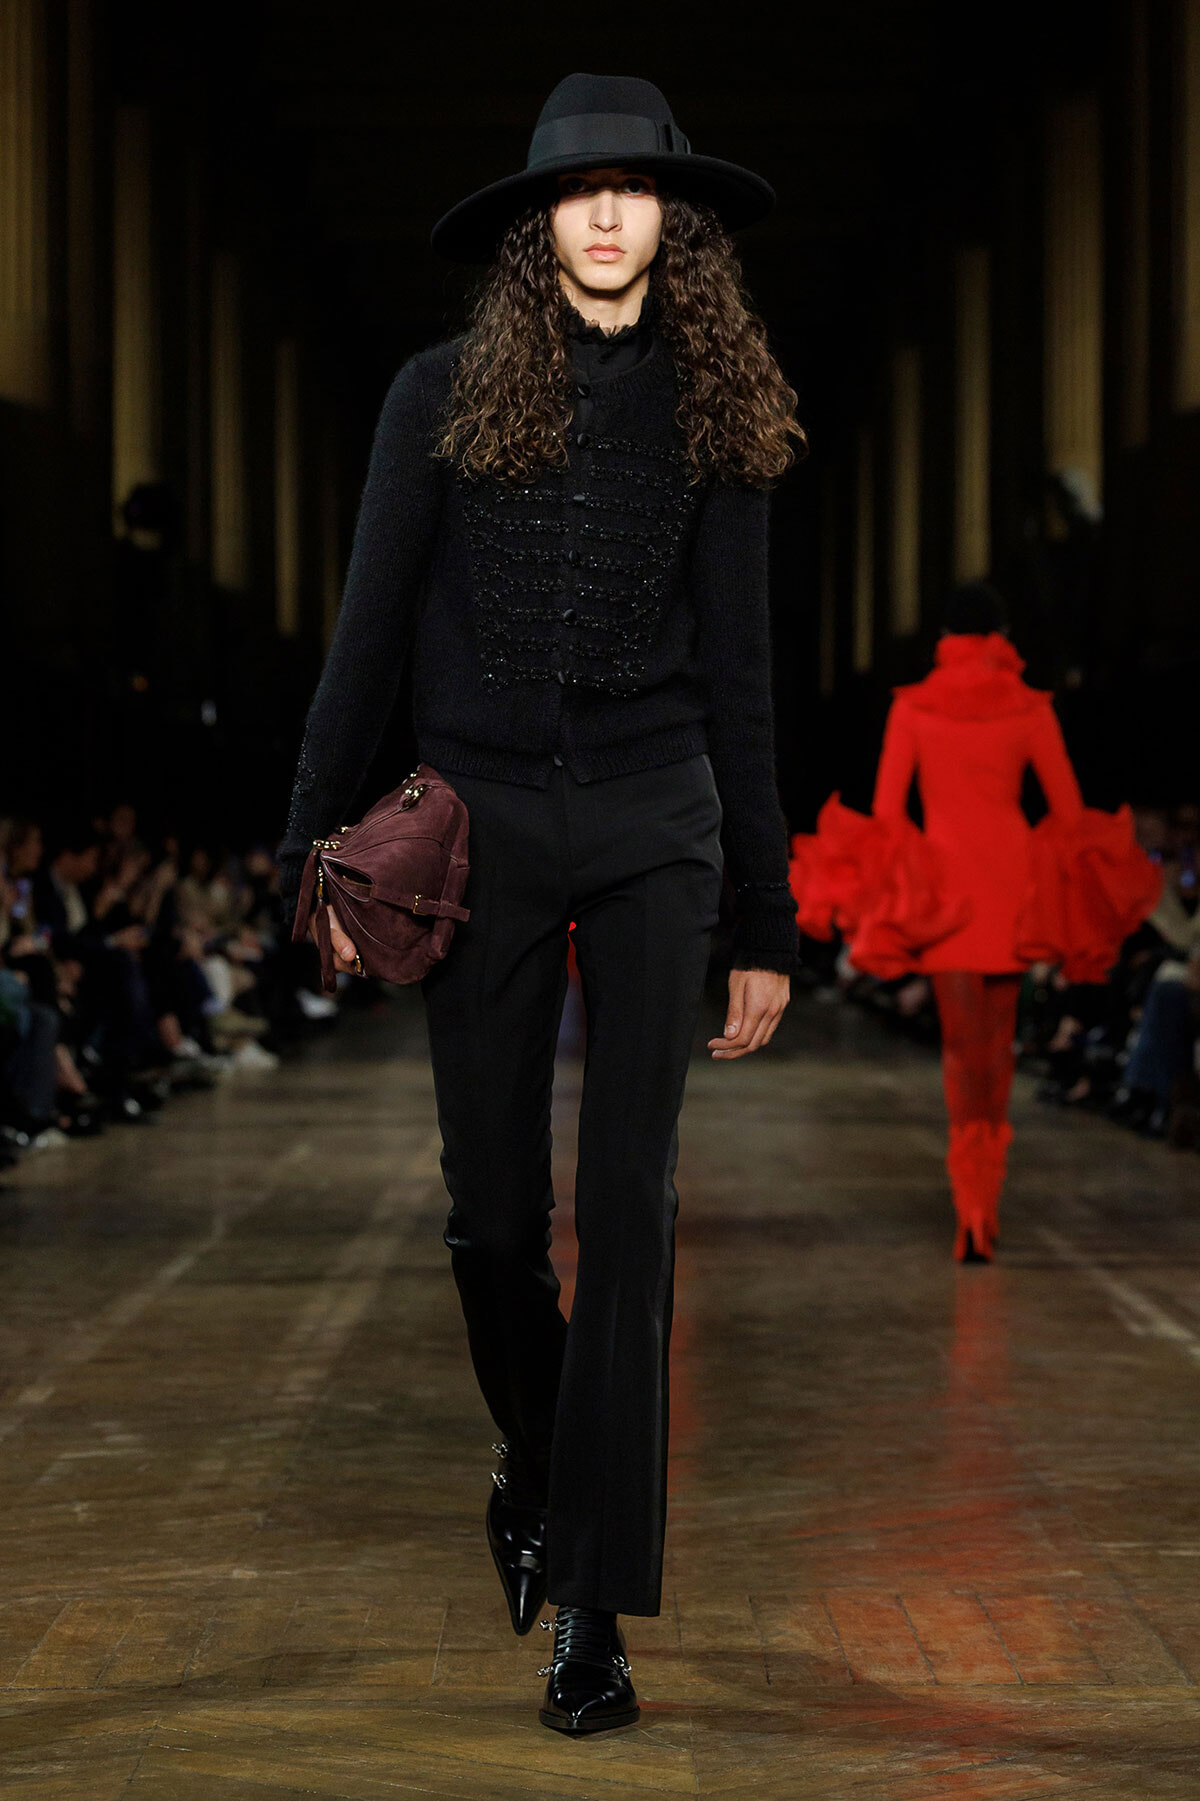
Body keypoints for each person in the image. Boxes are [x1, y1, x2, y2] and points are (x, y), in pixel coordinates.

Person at [276, 73, 803, 1735]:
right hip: (483, 827)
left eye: (635, 189)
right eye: (574, 192)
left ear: (674, 223)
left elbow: (744, 679)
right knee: (496, 1218)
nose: (601, 212)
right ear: (535, 227)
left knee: (630, 1209)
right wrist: (305, 846)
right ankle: (533, 1455)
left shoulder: (722, 422)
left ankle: (591, 1606)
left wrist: (768, 920)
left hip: (658, 823)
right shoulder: (437, 396)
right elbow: (365, 637)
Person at [792, 582, 1160, 1262]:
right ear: (1001, 634)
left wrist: (890, 888)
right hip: (1012, 883)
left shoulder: (913, 708)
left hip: (946, 884)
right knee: (998, 1044)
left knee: (962, 1047)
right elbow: (1069, 808)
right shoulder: (1028, 708)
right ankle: (986, 1201)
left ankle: (969, 1207)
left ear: (944, 635)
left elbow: (888, 811)